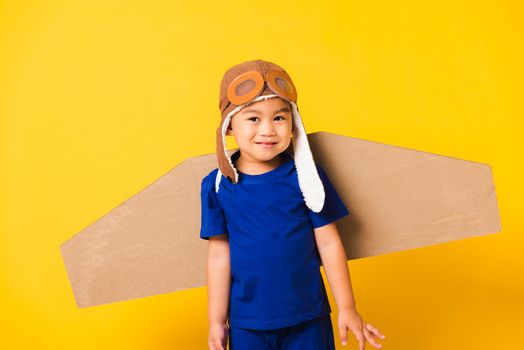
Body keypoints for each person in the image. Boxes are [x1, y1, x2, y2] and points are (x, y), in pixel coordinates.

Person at [200, 59, 385, 350]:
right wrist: (215, 320)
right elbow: (218, 256)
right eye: (253, 118)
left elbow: (328, 243)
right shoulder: (218, 185)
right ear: (229, 126)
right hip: (247, 324)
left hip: (308, 318)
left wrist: (347, 307)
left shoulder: (307, 178)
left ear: (293, 123)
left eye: (279, 118)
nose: (268, 130)